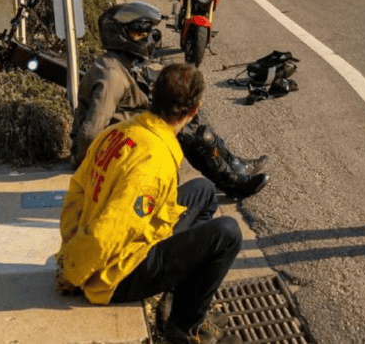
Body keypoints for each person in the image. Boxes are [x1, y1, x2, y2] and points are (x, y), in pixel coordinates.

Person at [57, 63, 241, 344]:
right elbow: (107, 233)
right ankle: (182, 328)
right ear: (194, 110)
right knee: (227, 234)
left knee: (203, 191)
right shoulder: (154, 165)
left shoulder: (121, 131)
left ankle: (181, 294)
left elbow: (77, 190)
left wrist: (69, 241)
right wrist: (73, 271)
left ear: (153, 97)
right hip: (114, 274)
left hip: (104, 246)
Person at [70, 3, 269, 199]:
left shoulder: (121, 62)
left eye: (148, 32)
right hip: (123, 144)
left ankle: (235, 165)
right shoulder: (111, 75)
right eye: (139, 32)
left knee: (186, 112)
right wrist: (95, 173)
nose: (147, 38)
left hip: (129, 131)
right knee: (190, 134)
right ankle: (231, 183)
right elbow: (90, 133)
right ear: (118, 34)